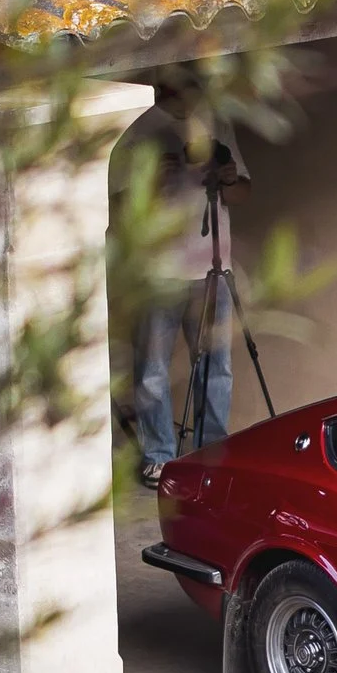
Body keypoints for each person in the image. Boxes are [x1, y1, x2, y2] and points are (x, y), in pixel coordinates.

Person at [124, 97, 246, 485]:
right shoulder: (141, 125)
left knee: (217, 368)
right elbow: (118, 201)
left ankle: (211, 454)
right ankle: (158, 456)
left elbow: (242, 193)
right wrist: (151, 181)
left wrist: (227, 178)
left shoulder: (216, 120)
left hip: (214, 269)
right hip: (159, 272)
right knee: (152, 370)